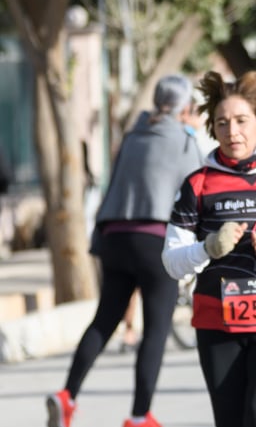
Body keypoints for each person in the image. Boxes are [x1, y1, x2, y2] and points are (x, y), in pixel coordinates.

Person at [161, 70, 256, 427]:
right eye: (223, 122)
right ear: (213, 128)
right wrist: (208, 248)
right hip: (217, 321)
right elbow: (171, 261)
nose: (233, 132)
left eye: (242, 121)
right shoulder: (197, 184)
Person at [47, 74, 204, 427]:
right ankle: (138, 415)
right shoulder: (184, 141)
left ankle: (67, 395)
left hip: (115, 238)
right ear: (185, 107)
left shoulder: (133, 135)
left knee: (104, 320)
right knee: (155, 331)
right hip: (155, 241)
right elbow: (199, 191)